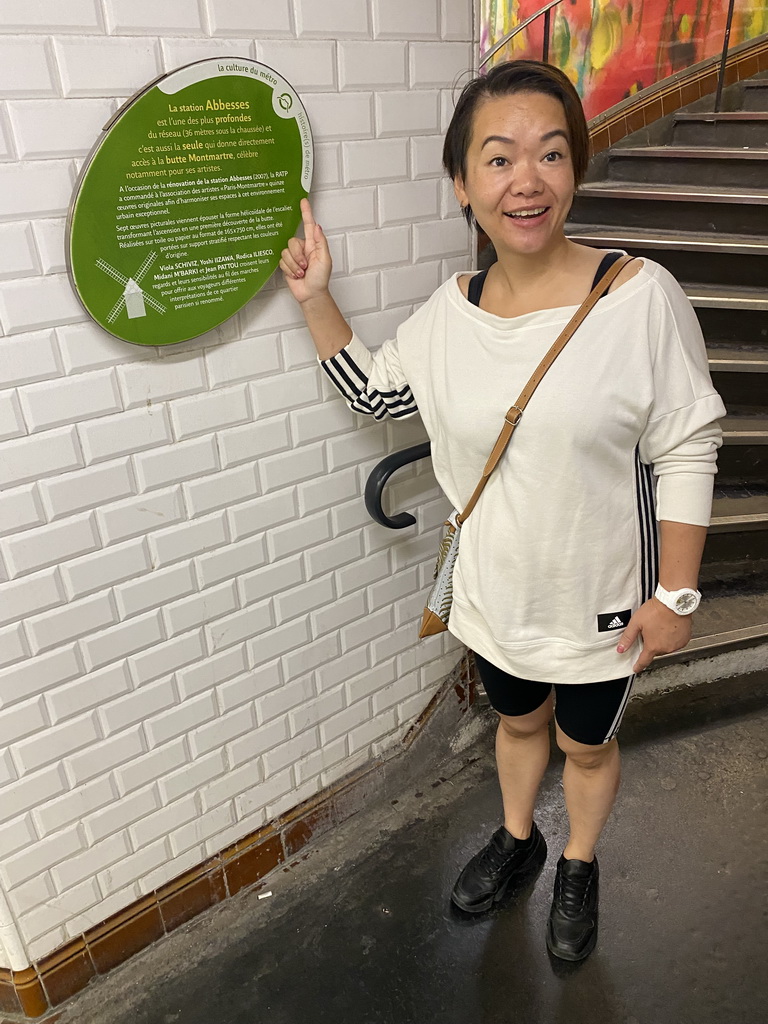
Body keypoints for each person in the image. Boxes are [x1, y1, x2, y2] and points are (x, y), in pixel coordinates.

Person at [279, 59, 725, 962]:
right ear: (463, 184)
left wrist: (675, 595)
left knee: (586, 748)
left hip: (605, 599)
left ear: (575, 171)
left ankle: (579, 862)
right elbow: (376, 397)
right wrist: (316, 298)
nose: (527, 179)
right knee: (518, 725)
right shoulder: (448, 316)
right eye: (498, 158)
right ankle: (519, 840)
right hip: (494, 597)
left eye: (551, 154)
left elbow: (687, 445)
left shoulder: (641, 297)